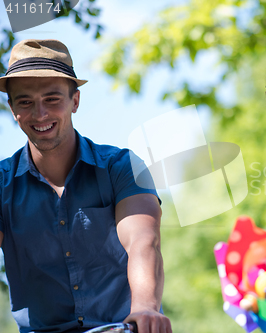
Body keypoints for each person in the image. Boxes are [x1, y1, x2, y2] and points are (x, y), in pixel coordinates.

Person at [0, 39, 172, 333]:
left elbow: (143, 242)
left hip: (120, 327)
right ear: (12, 108)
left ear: (75, 101)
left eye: (52, 99)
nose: (40, 114)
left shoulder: (122, 167)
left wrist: (145, 308)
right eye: (25, 101)